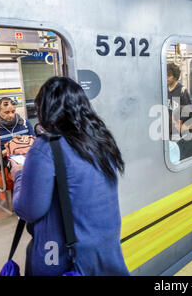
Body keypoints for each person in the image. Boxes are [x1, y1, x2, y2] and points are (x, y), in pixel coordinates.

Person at [10, 77, 129, 276]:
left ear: (45, 109)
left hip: (62, 256)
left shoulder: (46, 147)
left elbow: (29, 210)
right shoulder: (100, 140)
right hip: (105, 249)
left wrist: (19, 175)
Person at [0, 97, 35, 163]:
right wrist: (10, 148)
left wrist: (30, 139)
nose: (11, 115)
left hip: (29, 156)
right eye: (6, 112)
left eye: (13, 112)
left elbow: (37, 143)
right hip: (9, 161)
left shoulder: (25, 124)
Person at [167, 63, 192, 139]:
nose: (166, 78)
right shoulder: (164, 89)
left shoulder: (182, 91)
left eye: (169, 76)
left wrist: (180, 122)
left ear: (175, 77)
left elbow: (189, 111)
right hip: (168, 127)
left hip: (177, 129)